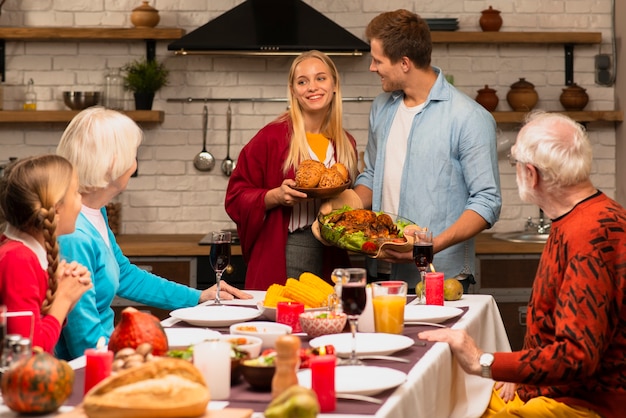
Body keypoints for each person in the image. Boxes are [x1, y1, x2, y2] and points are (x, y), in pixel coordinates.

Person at [420, 112, 626, 418]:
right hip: (551, 390)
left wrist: (484, 362)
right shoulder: (585, 214)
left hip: (582, 404)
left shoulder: (587, 234)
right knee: (454, 400)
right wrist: (520, 370)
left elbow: (576, 357)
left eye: (516, 165)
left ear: (531, 174)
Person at [55, 107, 251, 360]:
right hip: (89, 368)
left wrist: (198, 297)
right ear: (114, 163)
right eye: (134, 155)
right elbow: (83, 340)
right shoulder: (74, 234)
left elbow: (124, 275)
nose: (135, 164)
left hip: (106, 355)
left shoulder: (94, 211)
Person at [353, 9, 501, 287]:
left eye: (377, 61)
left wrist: (428, 247)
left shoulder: (469, 117)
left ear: (405, 63)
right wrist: (343, 205)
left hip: (438, 274)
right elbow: (373, 174)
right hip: (380, 269)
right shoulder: (381, 108)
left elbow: (487, 202)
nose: (372, 68)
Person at [225, 50, 359, 290]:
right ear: (293, 90)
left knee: (329, 324)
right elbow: (235, 197)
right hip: (288, 250)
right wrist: (275, 196)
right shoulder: (271, 137)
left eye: (321, 78)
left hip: (333, 253)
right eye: (302, 81)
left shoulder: (345, 143)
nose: (312, 87)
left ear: (335, 84)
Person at [0, 155, 92, 354]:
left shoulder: (24, 253)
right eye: (76, 193)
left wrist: (65, 291)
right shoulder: (18, 260)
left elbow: (39, 327)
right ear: (56, 209)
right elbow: (30, 352)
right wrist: (64, 299)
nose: (81, 200)